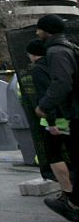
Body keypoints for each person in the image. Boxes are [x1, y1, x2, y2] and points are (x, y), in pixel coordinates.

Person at [34, 13, 79, 221]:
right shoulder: (69, 47)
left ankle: (73, 203)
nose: (37, 32)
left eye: (39, 29)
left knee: (70, 158)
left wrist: (44, 107)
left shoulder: (56, 52)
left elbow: (62, 83)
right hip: (71, 114)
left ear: (47, 30)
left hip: (71, 114)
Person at [26, 38, 73, 202]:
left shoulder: (38, 70)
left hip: (55, 119)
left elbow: (47, 94)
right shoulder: (58, 64)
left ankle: (67, 192)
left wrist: (51, 122)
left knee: (54, 155)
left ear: (32, 54)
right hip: (70, 115)